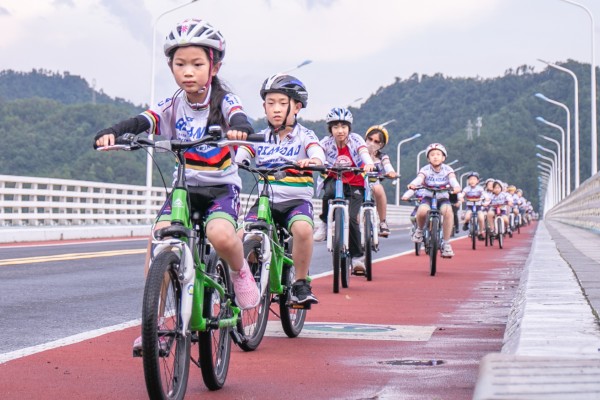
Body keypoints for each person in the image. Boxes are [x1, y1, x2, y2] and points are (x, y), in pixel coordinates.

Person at [93, 18, 259, 351]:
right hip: (184, 188)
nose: (188, 71)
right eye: (179, 64)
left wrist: (239, 128)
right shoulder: (172, 104)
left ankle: (241, 272)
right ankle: (152, 327)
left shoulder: (223, 101)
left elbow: (239, 116)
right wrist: (113, 130)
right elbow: (144, 120)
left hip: (221, 189)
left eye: (197, 64)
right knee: (159, 242)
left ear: (214, 66)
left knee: (220, 236)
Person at [232, 74, 325, 305]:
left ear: (297, 107)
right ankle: (248, 277)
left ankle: (301, 284)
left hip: (296, 202)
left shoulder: (305, 136)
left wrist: (313, 161)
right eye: (270, 103)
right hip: (265, 201)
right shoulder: (259, 137)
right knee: (240, 237)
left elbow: (317, 152)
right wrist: (234, 161)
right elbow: (241, 154)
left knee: (303, 230)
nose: (275, 109)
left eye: (282, 103)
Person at [313, 107, 375, 274]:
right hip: (335, 178)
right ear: (330, 129)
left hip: (355, 183)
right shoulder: (325, 143)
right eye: (335, 127)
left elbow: (363, 152)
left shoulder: (356, 140)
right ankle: (325, 223)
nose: (340, 131)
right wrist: (316, 162)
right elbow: (317, 153)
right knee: (327, 194)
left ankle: (357, 258)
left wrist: (368, 163)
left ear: (349, 128)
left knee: (353, 220)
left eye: (343, 126)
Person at [401, 143, 461, 258]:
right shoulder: (425, 169)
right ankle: (419, 230)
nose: (435, 156)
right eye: (432, 154)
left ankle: (447, 244)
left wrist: (457, 187)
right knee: (422, 210)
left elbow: (453, 180)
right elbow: (419, 179)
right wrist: (413, 184)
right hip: (428, 197)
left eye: (438, 154)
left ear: (443, 157)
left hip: (443, 198)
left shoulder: (448, 169)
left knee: (448, 212)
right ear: (428, 158)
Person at [364, 125, 399, 237]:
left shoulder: (382, 157)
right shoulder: (358, 152)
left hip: (373, 183)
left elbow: (387, 165)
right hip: (357, 184)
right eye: (370, 139)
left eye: (376, 141)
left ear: (381, 145)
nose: (372, 143)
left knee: (379, 188)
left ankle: (383, 222)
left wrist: (391, 172)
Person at [459, 171, 486, 241]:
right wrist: (461, 198)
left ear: (477, 181)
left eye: (474, 179)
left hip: (478, 207)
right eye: (470, 179)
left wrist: (486, 199)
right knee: (467, 216)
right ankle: (466, 223)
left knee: (481, 218)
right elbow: (462, 194)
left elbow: (485, 195)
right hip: (470, 207)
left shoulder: (480, 188)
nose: (472, 181)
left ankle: (480, 232)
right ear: (468, 181)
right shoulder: (466, 189)